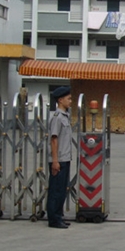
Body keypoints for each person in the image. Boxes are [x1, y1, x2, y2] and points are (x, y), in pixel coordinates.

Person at [47, 85, 73, 229]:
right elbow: (54, 140)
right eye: (68, 99)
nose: (70, 101)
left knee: (61, 190)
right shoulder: (57, 118)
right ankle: (54, 219)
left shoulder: (65, 117)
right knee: (56, 191)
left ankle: (59, 216)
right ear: (60, 100)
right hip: (59, 160)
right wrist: (55, 161)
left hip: (65, 158)